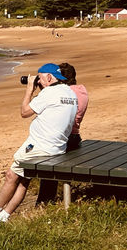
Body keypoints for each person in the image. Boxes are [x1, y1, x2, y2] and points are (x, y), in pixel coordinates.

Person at [0, 63, 78, 221]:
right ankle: (4, 215)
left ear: (48, 77)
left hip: (39, 147)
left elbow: (24, 112)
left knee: (11, 175)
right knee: (24, 178)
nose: (38, 81)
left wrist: (29, 90)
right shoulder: (69, 92)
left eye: (39, 78)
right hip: (57, 148)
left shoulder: (49, 94)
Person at [35, 62, 89, 204]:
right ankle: (46, 200)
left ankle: (44, 202)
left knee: (48, 168)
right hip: (76, 137)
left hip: (64, 137)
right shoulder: (82, 91)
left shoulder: (64, 94)